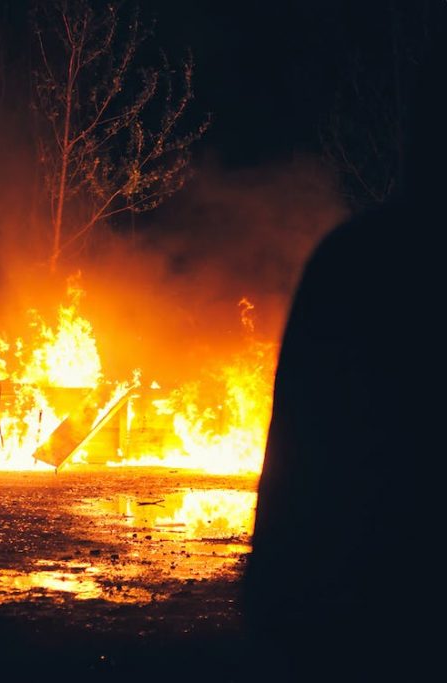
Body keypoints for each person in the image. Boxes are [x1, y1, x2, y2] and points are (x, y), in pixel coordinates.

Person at [244, 39, 445, 682]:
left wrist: (270, 610)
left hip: (355, 622)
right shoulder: (359, 266)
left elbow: (294, 472)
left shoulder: (353, 263)